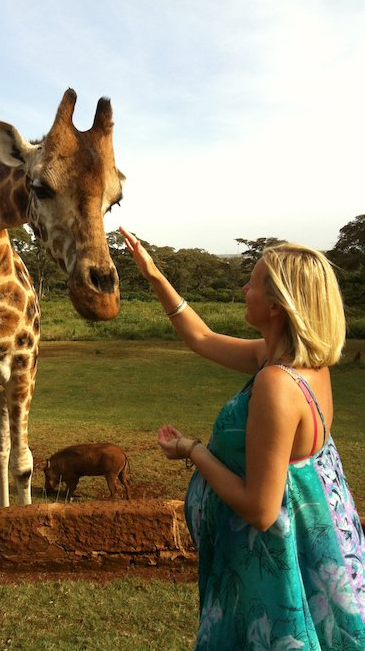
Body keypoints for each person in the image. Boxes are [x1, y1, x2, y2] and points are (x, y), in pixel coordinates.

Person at [119, 226, 365, 651]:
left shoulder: (277, 382)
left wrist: (193, 450)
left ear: (276, 304)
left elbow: (261, 509)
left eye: (252, 282)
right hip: (313, 548)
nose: (243, 288)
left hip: (275, 567)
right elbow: (202, 338)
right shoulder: (295, 363)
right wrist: (155, 276)